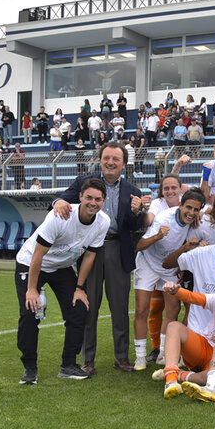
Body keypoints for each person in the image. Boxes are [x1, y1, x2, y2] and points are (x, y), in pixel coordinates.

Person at [54, 142, 149, 375]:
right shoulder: (83, 182)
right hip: (89, 251)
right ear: (100, 159)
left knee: (119, 307)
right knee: (89, 306)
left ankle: (121, 357)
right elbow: (63, 199)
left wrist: (139, 212)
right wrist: (57, 202)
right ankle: (87, 359)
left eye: (116, 159)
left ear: (124, 164)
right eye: (107, 157)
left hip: (118, 249)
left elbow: (135, 227)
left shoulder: (132, 190)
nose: (110, 162)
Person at [14, 178, 110, 384]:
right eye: (89, 198)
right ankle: (29, 368)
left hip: (61, 268)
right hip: (31, 263)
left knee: (78, 309)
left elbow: (90, 255)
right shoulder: (60, 216)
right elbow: (37, 255)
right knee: (31, 313)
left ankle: (68, 365)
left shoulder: (103, 222)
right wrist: (32, 289)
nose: (93, 203)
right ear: (80, 198)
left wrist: (79, 288)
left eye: (98, 199)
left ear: (104, 201)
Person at [131, 189, 205, 371]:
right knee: (141, 308)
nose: (192, 213)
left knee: (173, 310)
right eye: (188, 207)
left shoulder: (195, 221)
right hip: (148, 262)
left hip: (169, 266)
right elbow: (139, 245)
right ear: (180, 205)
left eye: (196, 209)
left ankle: (164, 354)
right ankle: (140, 357)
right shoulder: (164, 218)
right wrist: (158, 236)